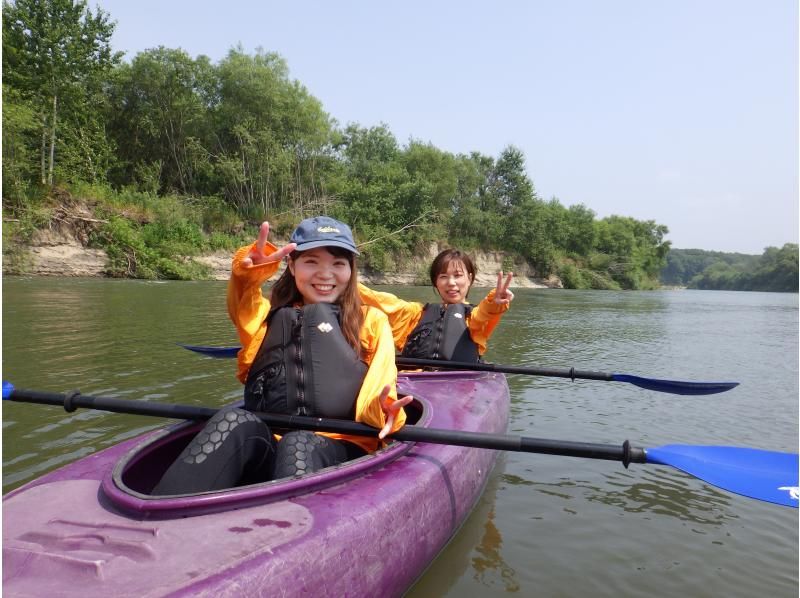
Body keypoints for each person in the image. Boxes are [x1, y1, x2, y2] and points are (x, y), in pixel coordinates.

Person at [153, 216, 411, 495]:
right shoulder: (267, 317)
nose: (325, 274)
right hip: (270, 439)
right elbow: (242, 300)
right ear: (291, 265)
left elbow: (379, 388)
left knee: (298, 443)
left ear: (351, 270)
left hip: (342, 444)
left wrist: (385, 412)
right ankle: (153, 520)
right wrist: (247, 273)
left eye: (338, 263)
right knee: (233, 420)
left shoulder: (371, 321)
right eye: (311, 262)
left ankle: (291, 531)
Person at [358, 249, 514, 363]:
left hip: (460, 384)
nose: (451, 283)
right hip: (414, 384)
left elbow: (486, 312)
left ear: (469, 278)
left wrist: (495, 301)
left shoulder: (473, 317)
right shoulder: (415, 314)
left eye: (458, 276)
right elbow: (377, 300)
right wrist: (345, 282)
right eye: (443, 277)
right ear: (436, 282)